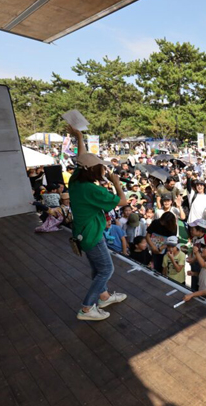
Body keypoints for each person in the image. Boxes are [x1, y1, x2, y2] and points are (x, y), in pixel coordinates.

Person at [67, 124, 128, 321]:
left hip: (83, 232)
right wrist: (116, 182)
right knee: (106, 269)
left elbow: (82, 158)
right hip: (92, 234)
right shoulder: (93, 190)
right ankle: (86, 307)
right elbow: (123, 201)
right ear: (95, 171)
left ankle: (104, 297)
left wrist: (79, 136)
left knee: (97, 267)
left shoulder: (76, 180)